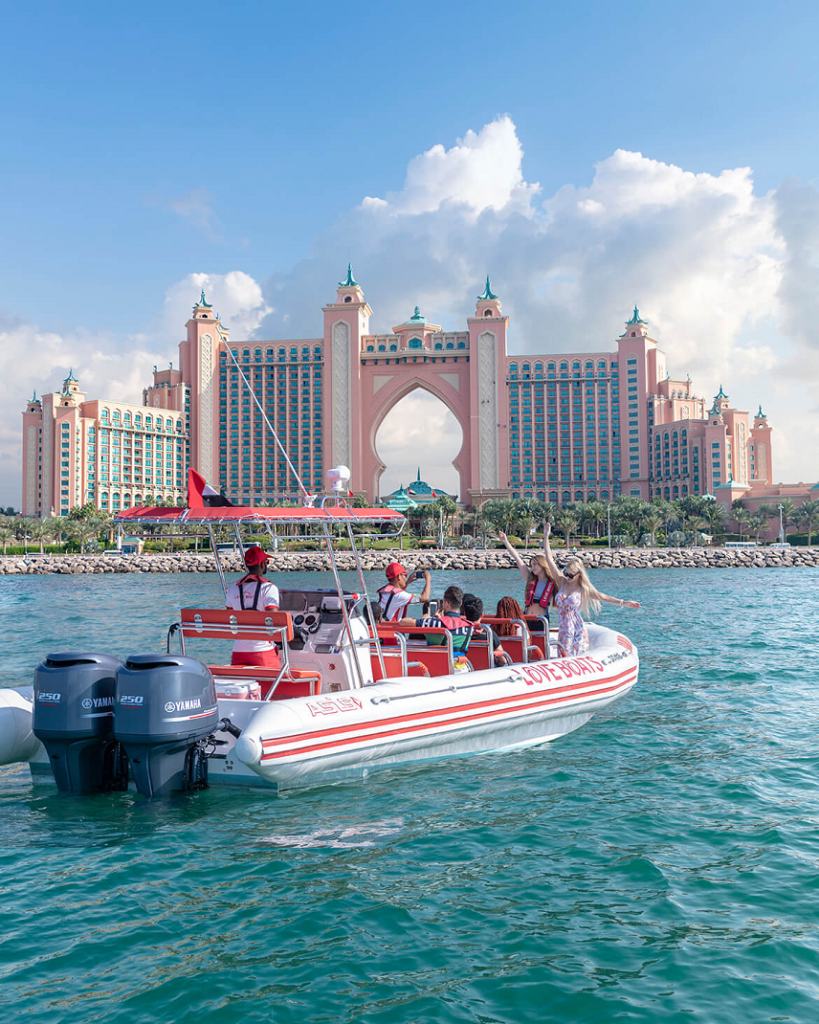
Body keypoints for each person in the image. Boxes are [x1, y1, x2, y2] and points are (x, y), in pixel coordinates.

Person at [539, 523, 640, 656]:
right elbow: (549, 560)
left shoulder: (583, 589)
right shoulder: (562, 581)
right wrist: (546, 537)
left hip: (577, 631)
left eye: (571, 575)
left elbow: (603, 597)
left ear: (579, 575)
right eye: (566, 572)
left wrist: (624, 603)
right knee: (562, 659)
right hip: (563, 631)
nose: (567, 576)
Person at [225, 545, 281, 667]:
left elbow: (230, 619)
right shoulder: (268, 588)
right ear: (262, 565)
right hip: (263, 653)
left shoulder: (232, 589)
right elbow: (274, 621)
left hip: (238, 652)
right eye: (266, 562)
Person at [398, 585, 473, 672]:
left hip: (438, 670)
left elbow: (403, 622)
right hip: (461, 670)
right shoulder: (469, 626)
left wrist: (425, 619)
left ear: (447, 603)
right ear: (460, 604)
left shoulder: (433, 623)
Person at [498, 530, 561, 620]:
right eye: (531, 565)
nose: (532, 567)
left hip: (541, 620)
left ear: (542, 564)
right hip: (526, 618)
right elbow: (517, 558)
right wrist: (505, 541)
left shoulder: (552, 582)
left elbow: (549, 557)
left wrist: (546, 537)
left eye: (535, 564)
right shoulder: (530, 578)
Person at [463, 593, 511, 667]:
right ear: (482, 614)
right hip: (488, 672)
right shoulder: (490, 634)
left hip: (468, 669)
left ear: (465, 614)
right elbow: (503, 660)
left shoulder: (461, 634)